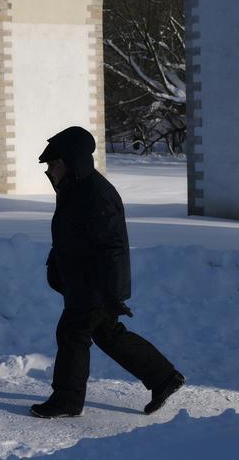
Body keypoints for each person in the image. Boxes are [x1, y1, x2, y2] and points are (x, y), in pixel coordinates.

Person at [30, 125, 184, 419]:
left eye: (54, 164)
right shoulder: (75, 189)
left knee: (72, 334)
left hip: (94, 284)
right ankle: (164, 377)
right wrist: (56, 264)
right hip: (82, 282)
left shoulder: (95, 194)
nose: (50, 170)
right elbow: (70, 236)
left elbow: (111, 247)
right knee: (108, 334)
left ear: (71, 162)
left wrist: (113, 294)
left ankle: (67, 400)